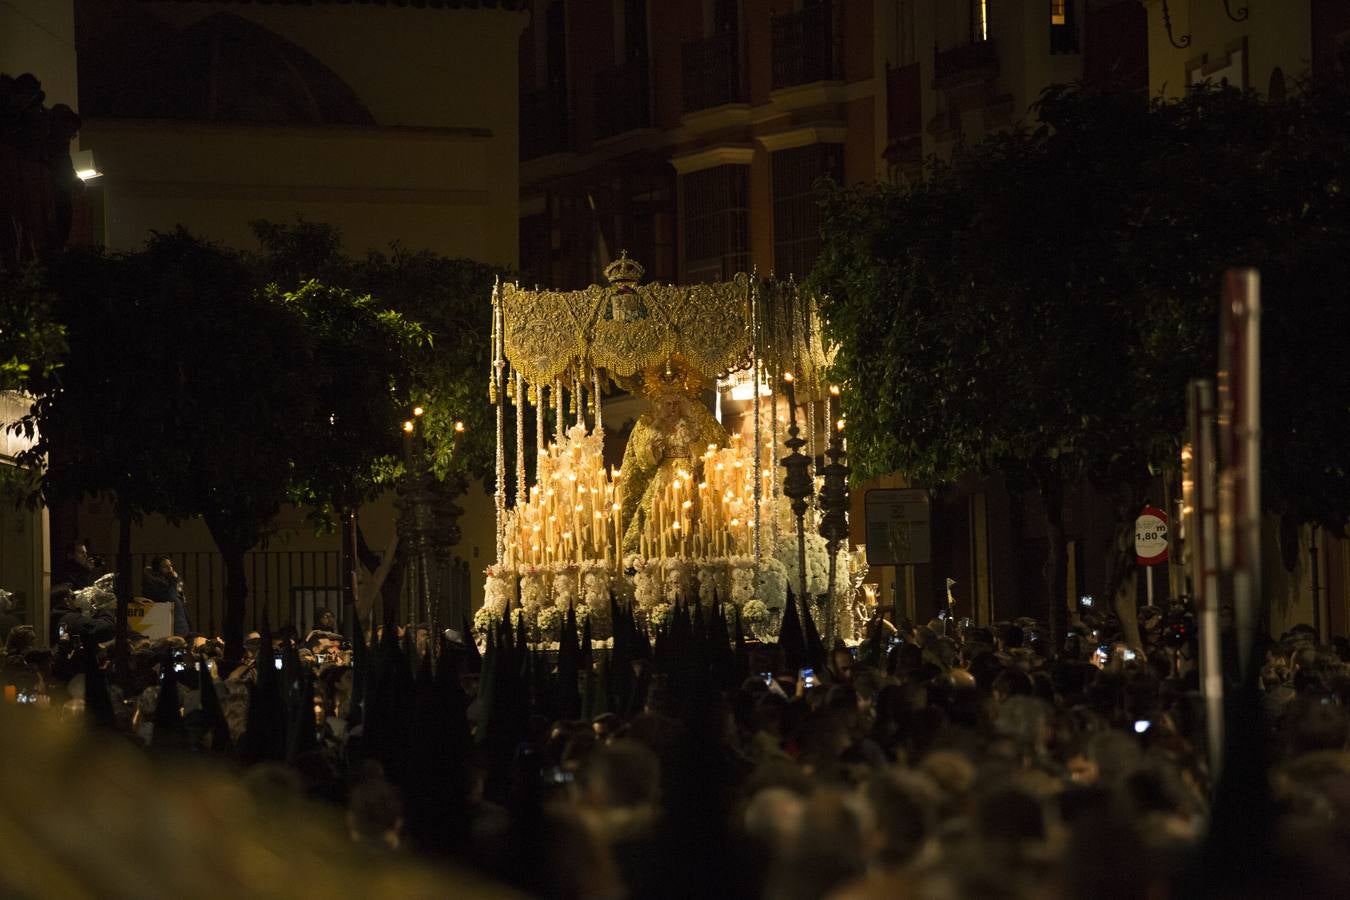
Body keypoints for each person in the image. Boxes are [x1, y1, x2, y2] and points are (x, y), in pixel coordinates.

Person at [142, 555, 191, 637]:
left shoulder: (169, 580)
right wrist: (173, 579)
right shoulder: (153, 581)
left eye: (170, 566)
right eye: (165, 566)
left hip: (178, 622)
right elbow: (169, 596)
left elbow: (179, 596)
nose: (170, 569)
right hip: (166, 622)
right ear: (157, 568)